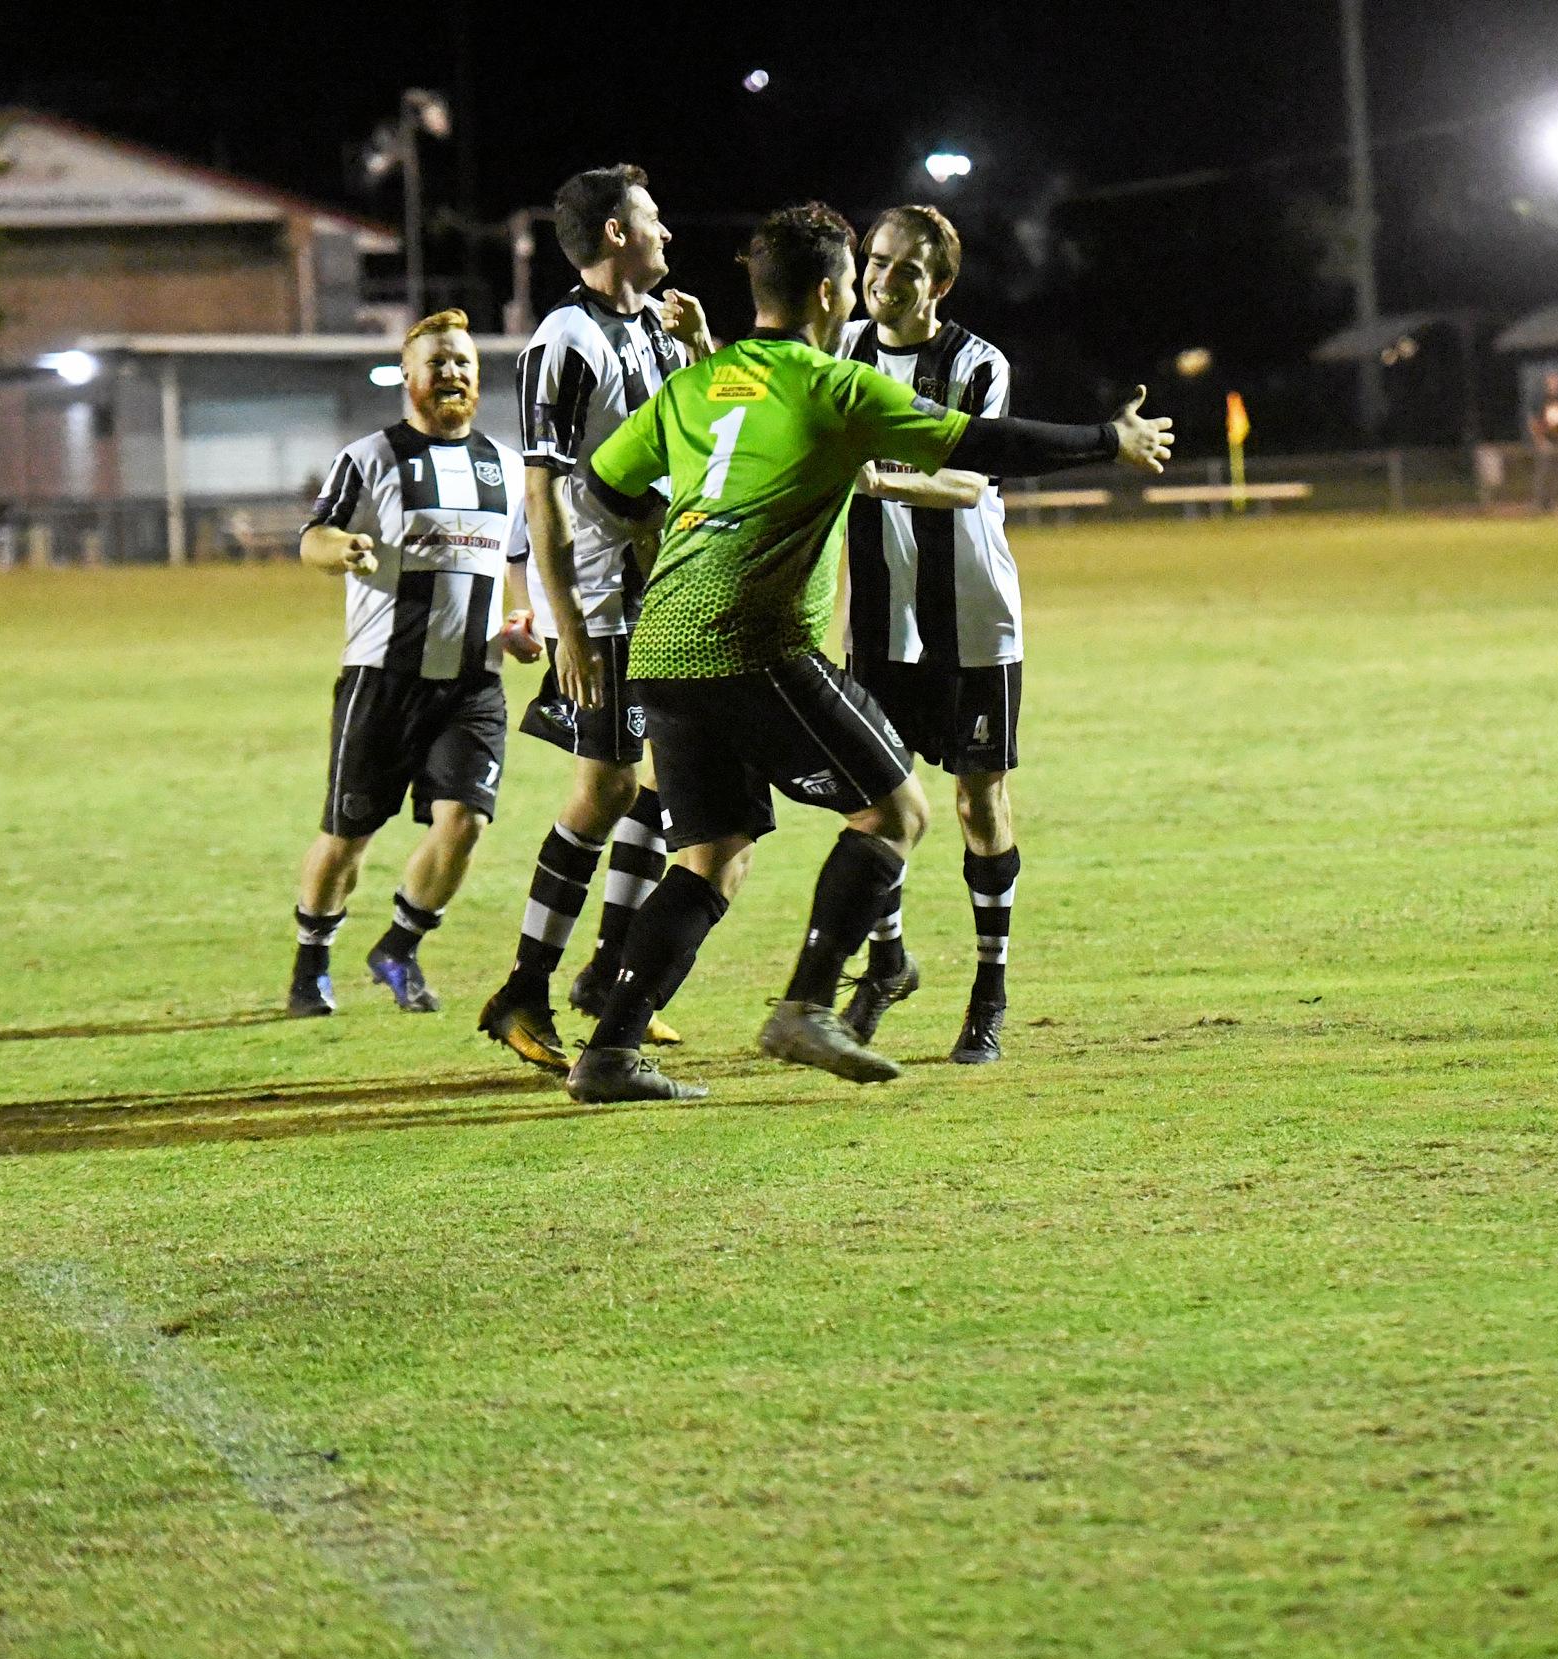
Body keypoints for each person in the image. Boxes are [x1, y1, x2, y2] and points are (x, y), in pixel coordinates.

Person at [559, 202, 1173, 1104]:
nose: (864, 292)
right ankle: (808, 1003)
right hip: (753, 638)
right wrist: (1105, 441)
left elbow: (602, 487)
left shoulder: (698, 385)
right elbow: (979, 442)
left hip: (665, 645)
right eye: (855, 277)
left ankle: (608, 1051)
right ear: (825, 291)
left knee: (712, 855)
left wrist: (682, 534)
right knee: (895, 812)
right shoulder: (830, 385)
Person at [477, 166, 715, 1073]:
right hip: (607, 598)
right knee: (607, 790)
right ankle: (525, 988)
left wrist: (699, 345)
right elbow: (541, 487)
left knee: (665, 780)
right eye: (653, 219)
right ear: (616, 234)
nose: (667, 234)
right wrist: (565, 621)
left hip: (667, 588)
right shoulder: (564, 340)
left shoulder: (656, 325)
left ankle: (613, 971)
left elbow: (690, 436)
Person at [285, 310, 537, 1017]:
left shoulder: (505, 467)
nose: (453, 374)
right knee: (347, 837)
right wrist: (344, 550)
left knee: (467, 822)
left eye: (463, 361)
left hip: (473, 683)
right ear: (409, 377)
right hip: (382, 680)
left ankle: (398, 946)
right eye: (438, 363)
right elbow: (313, 538)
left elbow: (516, 559)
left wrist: (526, 621)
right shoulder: (369, 459)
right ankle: (311, 964)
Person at [830, 205, 1031, 1064]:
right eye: (875, 262)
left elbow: (970, 483)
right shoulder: (842, 352)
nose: (883, 279)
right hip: (878, 621)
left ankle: (989, 989)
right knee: (876, 801)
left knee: (975, 801)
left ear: (939, 284)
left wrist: (874, 477)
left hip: (974, 619)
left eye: (906, 269)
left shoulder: (978, 364)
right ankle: (887, 961)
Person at [1527, 371, 1558, 513]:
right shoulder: (1539, 401)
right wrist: (1541, 440)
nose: (1553, 385)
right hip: (1545, 443)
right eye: (1550, 382)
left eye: (1556, 382)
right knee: (1542, 473)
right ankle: (1540, 504)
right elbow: (1533, 423)